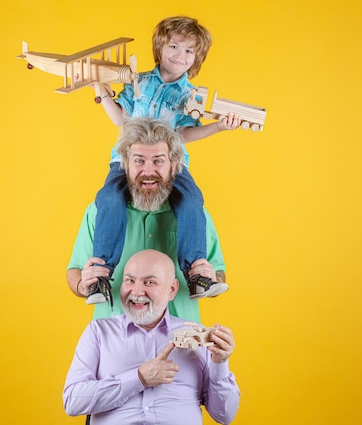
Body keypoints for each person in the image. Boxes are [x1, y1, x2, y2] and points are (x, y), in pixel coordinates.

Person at [88, 16, 241, 305]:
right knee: (109, 198)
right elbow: (121, 119)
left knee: (191, 200)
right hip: (127, 162)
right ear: (160, 48)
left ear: (197, 59)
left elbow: (183, 133)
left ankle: (196, 274)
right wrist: (101, 92)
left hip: (171, 163)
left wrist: (219, 126)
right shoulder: (139, 82)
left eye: (188, 51)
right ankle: (100, 276)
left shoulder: (189, 95)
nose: (180, 55)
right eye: (174, 46)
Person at [67, 117, 228, 323]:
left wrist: (214, 278)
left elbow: (219, 273)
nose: (148, 171)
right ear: (125, 164)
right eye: (139, 161)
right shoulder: (99, 212)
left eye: (159, 161)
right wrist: (83, 284)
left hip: (178, 340)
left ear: (175, 165)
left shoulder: (196, 214)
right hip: (113, 338)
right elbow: (74, 271)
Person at [63, 249, 240, 425]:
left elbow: (225, 415)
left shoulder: (197, 336)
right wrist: (138, 378)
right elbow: (72, 401)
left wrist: (220, 363)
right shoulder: (99, 332)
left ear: (172, 290)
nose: (137, 291)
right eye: (129, 280)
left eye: (150, 282)